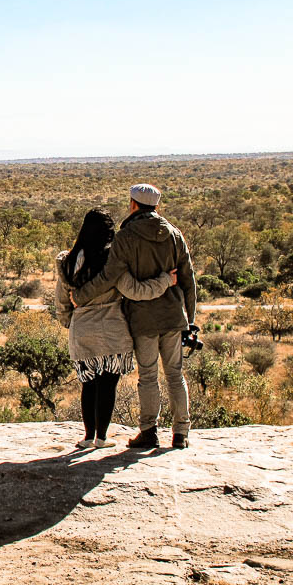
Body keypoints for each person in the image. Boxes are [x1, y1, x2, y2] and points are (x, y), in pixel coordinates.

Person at [71, 184, 196, 450]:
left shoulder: (126, 237)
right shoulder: (175, 234)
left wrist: (80, 297)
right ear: (157, 207)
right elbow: (189, 280)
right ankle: (181, 433)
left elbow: (109, 277)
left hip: (143, 319)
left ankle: (149, 432)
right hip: (174, 316)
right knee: (175, 374)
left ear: (133, 204)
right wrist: (191, 319)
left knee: (149, 376)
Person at [55, 208, 176, 449]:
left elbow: (61, 300)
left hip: (82, 330)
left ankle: (88, 437)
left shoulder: (68, 262)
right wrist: (165, 281)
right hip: (112, 330)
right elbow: (136, 291)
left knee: (88, 384)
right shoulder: (112, 262)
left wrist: (69, 321)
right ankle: (102, 438)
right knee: (108, 385)